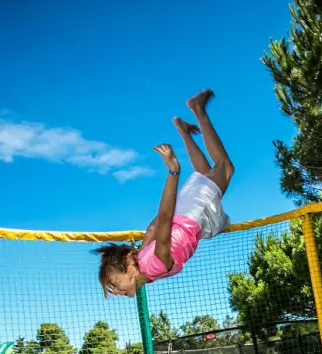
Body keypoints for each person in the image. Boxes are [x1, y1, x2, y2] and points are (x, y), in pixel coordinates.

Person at [96, 89, 234, 298]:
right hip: (186, 216)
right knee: (205, 173)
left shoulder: (155, 266)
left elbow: (163, 219)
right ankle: (184, 131)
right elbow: (153, 228)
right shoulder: (142, 260)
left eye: (115, 283)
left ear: (130, 270)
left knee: (225, 167)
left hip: (190, 217)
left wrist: (173, 171)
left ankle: (198, 110)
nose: (116, 291)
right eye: (113, 288)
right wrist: (178, 209)